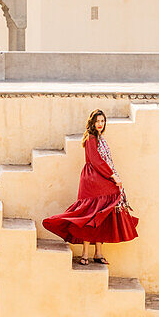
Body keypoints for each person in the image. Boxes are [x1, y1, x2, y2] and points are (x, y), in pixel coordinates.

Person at [42, 109, 138, 264]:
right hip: (93, 180)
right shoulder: (91, 138)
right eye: (97, 121)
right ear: (92, 122)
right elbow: (96, 161)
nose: (100, 124)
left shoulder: (100, 138)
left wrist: (112, 176)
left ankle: (98, 253)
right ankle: (85, 254)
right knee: (90, 216)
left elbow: (105, 161)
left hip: (101, 178)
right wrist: (113, 175)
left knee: (102, 216)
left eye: (102, 121)